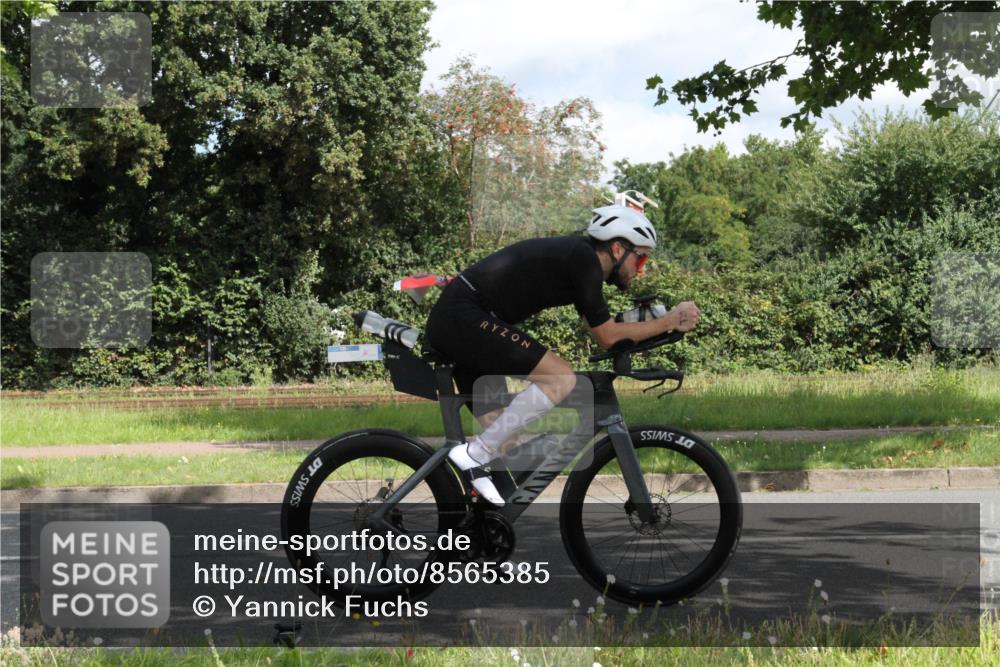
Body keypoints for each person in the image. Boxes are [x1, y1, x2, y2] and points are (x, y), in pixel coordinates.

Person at [424, 203, 700, 505]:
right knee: (560, 378)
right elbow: (608, 336)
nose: (642, 268)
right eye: (642, 257)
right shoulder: (584, 261)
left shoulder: (580, 262)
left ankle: (476, 516)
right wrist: (670, 320)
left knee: (506, 439)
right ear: (618, 249)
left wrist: (661, 325)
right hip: (463, 317)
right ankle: (474, 454)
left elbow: (604, 333)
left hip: (464, 319)